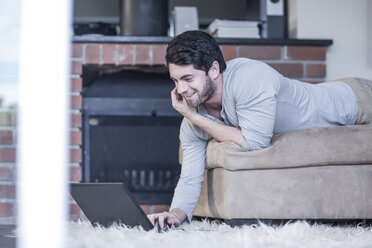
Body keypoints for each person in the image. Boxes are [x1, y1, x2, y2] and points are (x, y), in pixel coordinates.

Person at [147, 30, 372, 228]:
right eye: (175, 81)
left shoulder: (249, 78)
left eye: (188, 78)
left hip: (355, 100)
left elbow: (255, 143)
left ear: (214, 69)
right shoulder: (193, 116)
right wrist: (174, 215)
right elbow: (189, 178)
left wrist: (193, 116)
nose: (181, 89)